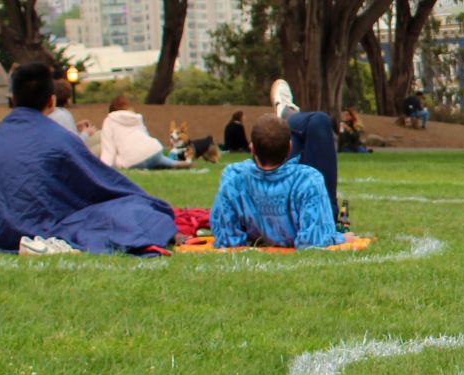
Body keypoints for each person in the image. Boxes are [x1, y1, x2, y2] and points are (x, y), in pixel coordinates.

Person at [0, 63, 176, 254]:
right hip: (42, 228)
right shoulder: (58, 138)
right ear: (52, 102)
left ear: (13, 99)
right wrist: (148, 202)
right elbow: (101, 183)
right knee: (139, 210)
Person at [210, 115, 349, 249]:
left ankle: (290, 115)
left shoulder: (234, 177)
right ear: (290, 148)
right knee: (318, 120)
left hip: (256, 180)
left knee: (314, 120)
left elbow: (226, 238)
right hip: (294, 186)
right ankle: (291, 115)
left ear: (252, 149)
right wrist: (341, 238)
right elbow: (314, 241)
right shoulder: (308, 180)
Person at [270, 79, 342, 221]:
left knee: (317, 122)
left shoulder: (234, 176)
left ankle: (286, 115)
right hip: (319, 217)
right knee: (316, 123)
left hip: (305, 215)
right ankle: (287, 115)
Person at [100, 95, 194, 170]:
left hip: (133, 161)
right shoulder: (136, 118)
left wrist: (104, 167)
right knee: (156, 158)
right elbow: (145, 135)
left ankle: (167, 163)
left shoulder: (109, 121)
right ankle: (173, 163)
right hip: (153, 150)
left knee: (119, 158)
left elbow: (108, 149)